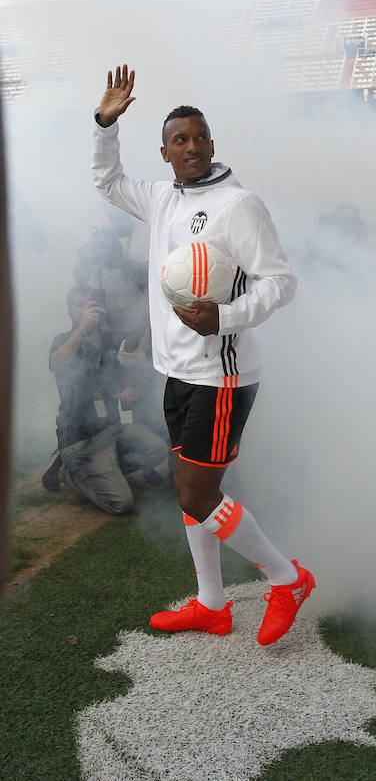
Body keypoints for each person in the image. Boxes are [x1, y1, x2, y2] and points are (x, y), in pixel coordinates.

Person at [92, 65, 312, 645]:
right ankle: (212, 604)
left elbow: (281, 281)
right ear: (164, 153)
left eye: (201, 136)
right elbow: (108, 182)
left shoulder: (240, 205)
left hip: (222, 375)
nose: (192, 147)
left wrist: (226, 316)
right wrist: (105, 125)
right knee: (190, 487)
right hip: (176, 372)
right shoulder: (160, 197)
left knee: (195, 492)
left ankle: (287, 578)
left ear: (213, 143)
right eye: (180, 140)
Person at [44, 285, 170, 514]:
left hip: (111, 429)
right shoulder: (64, 340)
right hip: (81, 439)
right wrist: (82, 329)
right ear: (70, 312)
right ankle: (67, 472)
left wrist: (132, 391)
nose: (86, 310)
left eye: (90, 304)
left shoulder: (108, 342)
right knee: (122, 504)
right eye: (79, 305)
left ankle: (100, 472)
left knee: (158, 449)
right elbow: (57, 364)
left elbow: (127, 361)